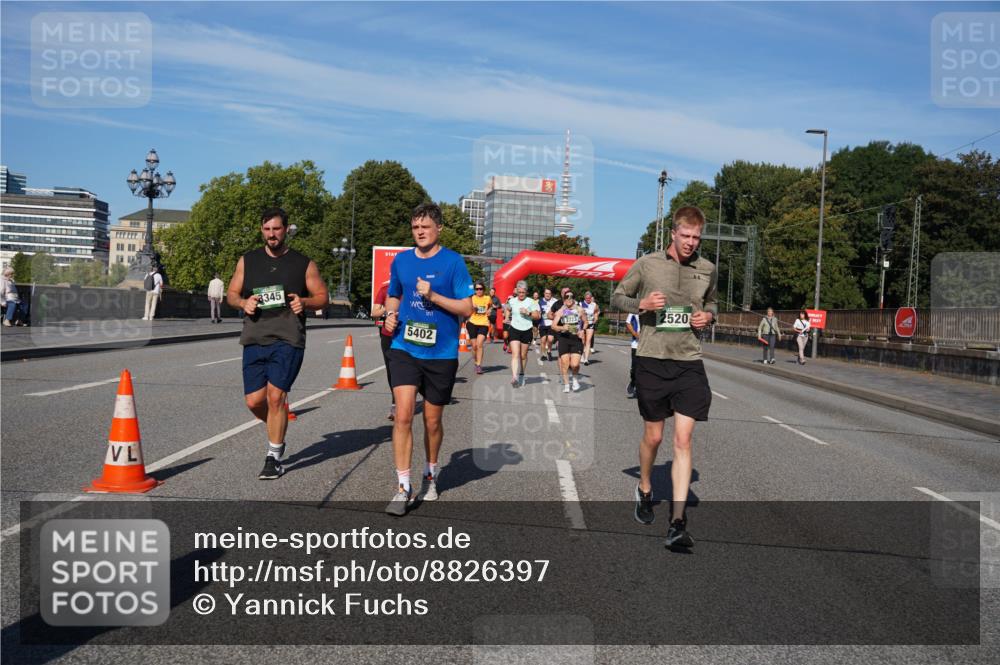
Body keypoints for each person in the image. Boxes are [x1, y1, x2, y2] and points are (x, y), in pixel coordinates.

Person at [612, 205, 717, 549]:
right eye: (685, 236)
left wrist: (708, 317)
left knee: (683, 440)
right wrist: (641, 305)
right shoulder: (647, 264)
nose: (690, 242)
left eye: (696, 237)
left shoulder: (707, 269)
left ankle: (677, 523)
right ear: (673, 233)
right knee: (654, 437)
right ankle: (645, 487)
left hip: (689, 361)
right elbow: (617, 297)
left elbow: (713, 304)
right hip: (652, 360)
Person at [382, 203, 473, 516]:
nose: (419, 232)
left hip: (441, 353)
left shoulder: (453, 262)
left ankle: (430, 473)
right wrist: (390, 313)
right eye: (415, 227)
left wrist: (433, 296)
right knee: (403, 414)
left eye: (425, 227)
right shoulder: (402, 261)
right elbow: (393, 295)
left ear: (439, 229)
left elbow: (467, 309)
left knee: (432, 422)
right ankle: (403, 486)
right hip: (404, 347)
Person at [226, 207, 328, 480]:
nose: (272, 234)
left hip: (288, 337)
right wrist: (243, 302)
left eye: (277, 229)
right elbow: (232, 294)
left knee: (275, 397)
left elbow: (322, 296)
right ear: (262, 230)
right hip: (254, 336)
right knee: (254, 401)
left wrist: (304, 302)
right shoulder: (247, 261)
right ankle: (276, 422)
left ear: (286, 230)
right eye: (267, 229)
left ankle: (274, 456)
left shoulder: (303, 263)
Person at [503, 280, 540, 387]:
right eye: (519, 292)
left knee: (523, 356)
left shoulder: (531, 302)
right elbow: (507, 308)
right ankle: (514, 377)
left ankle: (522, 374)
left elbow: (537, 316)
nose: (521, 294)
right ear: (516, 291)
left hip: (527, 330)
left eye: (523, 292)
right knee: (515, 354)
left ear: (526, 292)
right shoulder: (512, 301)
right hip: (514, 329)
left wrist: (528, 312)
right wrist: (506, 317)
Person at [551, 289, 587, 393]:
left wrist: (583, 330)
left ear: (574, 299)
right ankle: (567, 384)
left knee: (575, 364)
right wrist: (562, 328)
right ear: (564, 299)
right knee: (565, 363)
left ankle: (575, 379)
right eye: (567, 297)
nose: (569, 299)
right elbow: (553, 326)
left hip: (576, 339)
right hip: (564, 338)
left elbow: (586, 322)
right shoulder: (561, 311)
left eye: (571, 297)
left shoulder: (580, 310)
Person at [371, 281, 397, 420]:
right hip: (388, 335)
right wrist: (387, 308)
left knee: (406, 371)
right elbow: (374, 313)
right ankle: (395, 403)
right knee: (391, 371)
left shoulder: (412, 288)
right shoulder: (385, 289)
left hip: (407, 337)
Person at [467, 282, 492, 374]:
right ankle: (476, 362)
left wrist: (489, 310)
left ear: (484, 289)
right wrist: (472, 307)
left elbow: (490, 306)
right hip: (472, 322)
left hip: (483, 323)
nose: (479, 290)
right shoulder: (472, 298)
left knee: (479, 344)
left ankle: (479, 365)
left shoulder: (487, 298)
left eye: (480, 289)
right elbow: (466, 308)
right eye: (477, 289)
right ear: (474, 290)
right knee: (474, 346)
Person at [538, 287, 557, 363]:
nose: (547, 295)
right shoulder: (540, 301)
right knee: (543, 340)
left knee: (550, 339)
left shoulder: (555, 301)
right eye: (546, 293)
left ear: (551, 294)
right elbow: (537, 312)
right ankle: (543, 354)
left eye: (549, 293)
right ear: (544, 294)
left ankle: (549, 351)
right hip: (542, 323)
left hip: (552, 323)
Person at [581, 291, 600, 365]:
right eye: (586, 298)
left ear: (591, 298)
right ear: (584, 298)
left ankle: (586, 359)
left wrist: (595, 318)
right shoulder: (581, 304)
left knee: (588, 341)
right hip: (582, 324)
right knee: (582, 341)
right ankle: (582, 355)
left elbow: (596, 312)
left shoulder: (594, 305)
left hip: (590, 324)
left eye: (589, 298)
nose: (588, 299)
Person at [626, 311, 640, 396]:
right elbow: (628, 322)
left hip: (650, 345)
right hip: (636, 344)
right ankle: (633, 382)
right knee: (635, 368)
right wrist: (635, 334)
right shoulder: (635, 308)